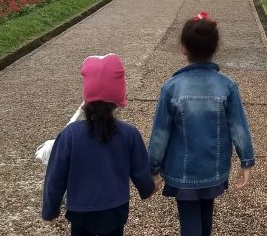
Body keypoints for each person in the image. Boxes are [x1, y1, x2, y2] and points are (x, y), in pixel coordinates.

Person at [149, 13, 255, 236]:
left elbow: (160, 133)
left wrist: (152, 169)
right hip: (213, 167)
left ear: (183, 48)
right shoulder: (227, 86)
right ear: (216, 47)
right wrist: (246, 161)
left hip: (183, 170)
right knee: (206, 211)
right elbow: (239, 128)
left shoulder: (171, 88)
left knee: (189, 220)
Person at [42, 54, 157, 236]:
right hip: (115, 208)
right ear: (118, 97)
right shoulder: (129, 133)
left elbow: (55, 176)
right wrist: (148, 188)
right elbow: (140, 171)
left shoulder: (69, 135)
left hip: (80, 210)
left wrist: (50, 209)